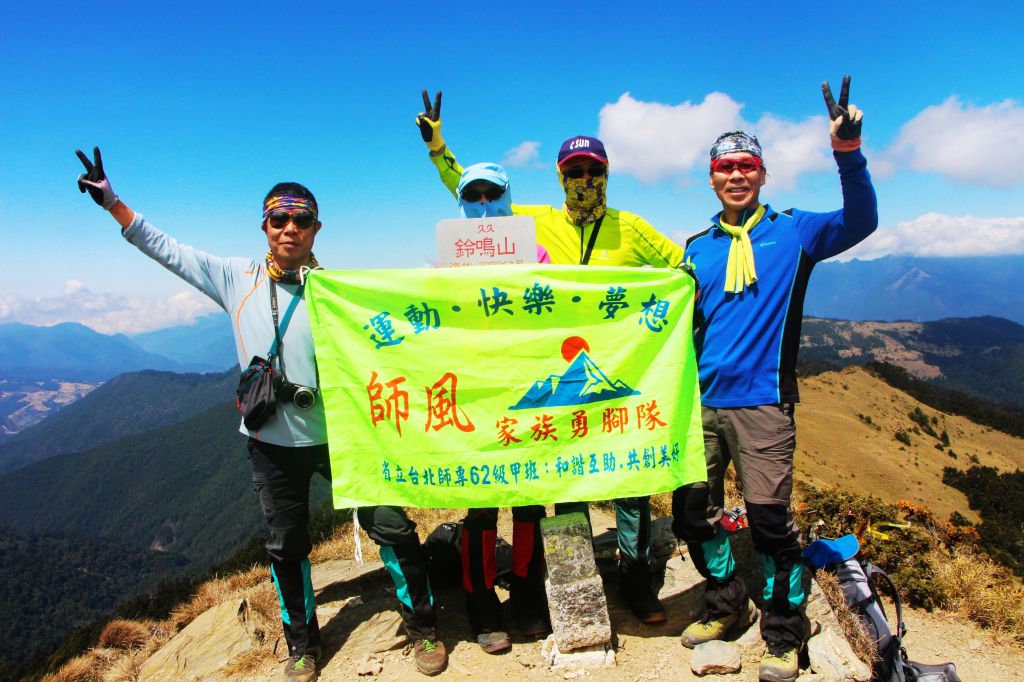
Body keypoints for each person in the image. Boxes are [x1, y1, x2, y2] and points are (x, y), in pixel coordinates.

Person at [74, 149, 448, 680]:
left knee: (392, 527)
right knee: (287, 547)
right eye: (279, 219)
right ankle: (303, 647)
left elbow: (408, 321)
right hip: (270, 442)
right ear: (265, 227)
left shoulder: (337, 290)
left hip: (345, 437)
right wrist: (113, 202)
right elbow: (168, 250)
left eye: (301, 220)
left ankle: (424, 627)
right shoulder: (235, 278)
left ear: (316, 229)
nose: (289, 228)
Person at [416, 90, 686, 624]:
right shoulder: (534, 223)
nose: (584, 178)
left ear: (606, 173)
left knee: (630, 482)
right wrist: (439, 150)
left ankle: (636, 582)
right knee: (567, 483)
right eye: (574, 171)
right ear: (560, 176)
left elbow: (684, 270)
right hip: (557, 378)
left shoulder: (633, 228)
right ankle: (571, 584)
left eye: (593, 170)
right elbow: (477, 202)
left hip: (622, 370)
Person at [672, 76, 877, 682]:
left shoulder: (794, 231)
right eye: (725, 166)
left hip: (765, 404)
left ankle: (784, 633)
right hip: (700, 405)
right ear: (711, 177)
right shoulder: (696, 248)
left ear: (763, 174)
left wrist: (848, 150)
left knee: (769, 525)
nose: (736, 175)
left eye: (747, 165)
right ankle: (726, 601)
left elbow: (861, 220)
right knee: (692, 512)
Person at [445, 162, 550, 653]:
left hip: (527, 395)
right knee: (481, 507)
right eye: (473, 195)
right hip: (476, 397)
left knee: (528, 502)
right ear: (462, 203)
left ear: (508, 195)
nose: (484, 203)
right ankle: (482, 606)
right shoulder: (449, 263)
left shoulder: (538, 254)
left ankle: (528, 598)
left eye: (493, 192)